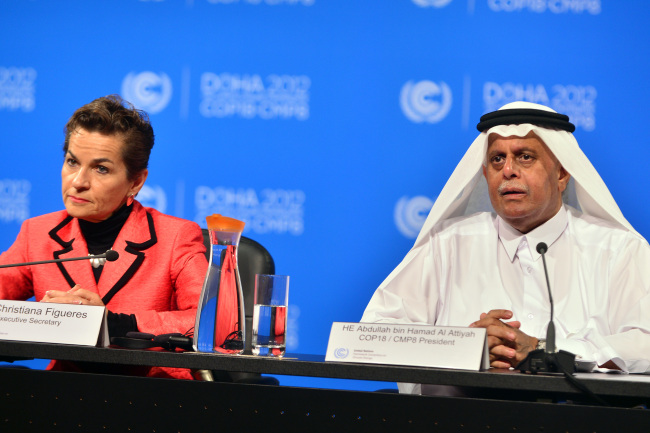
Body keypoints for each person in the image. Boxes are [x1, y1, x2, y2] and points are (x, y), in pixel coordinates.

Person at [361, 101, 650, 393]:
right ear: (485, 174)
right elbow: (375, 331)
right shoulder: (447, 244)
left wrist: (544, 351)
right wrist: (465, 347)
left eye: (525, 157)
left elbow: (645, 342)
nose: (508, 170)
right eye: (497, 159)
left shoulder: (619, 250)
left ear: (562, 174)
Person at [0, 95, 208, 379]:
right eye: (72, 162)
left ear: (135, 182)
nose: (78, 182)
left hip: (154, 394)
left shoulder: (175, 237)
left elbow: (213, 323)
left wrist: (113, 325)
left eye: (101, 169)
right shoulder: (37, 234)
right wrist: (37, 321)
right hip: (64, 394)